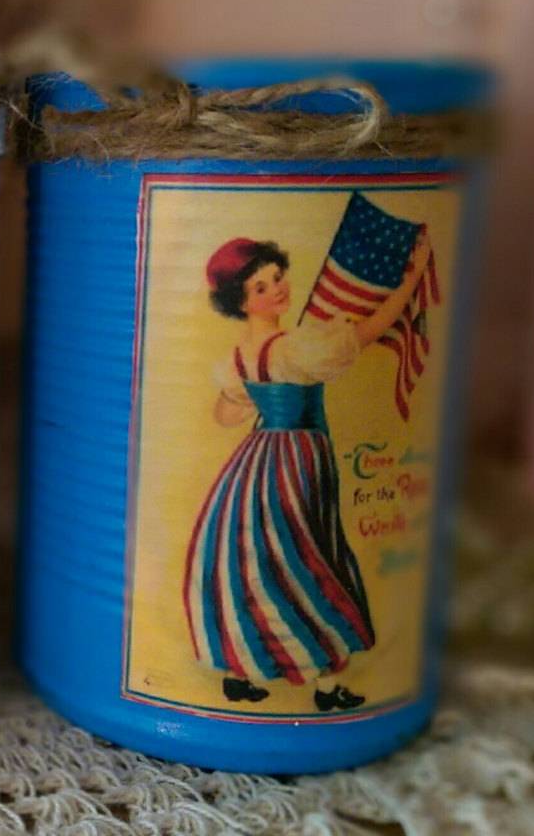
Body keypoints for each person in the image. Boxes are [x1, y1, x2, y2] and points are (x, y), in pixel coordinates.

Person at [185, 232, 432, 712]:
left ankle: (242, 673)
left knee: (251, 564)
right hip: (297, 461)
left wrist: (261, 401)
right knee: (306, 562)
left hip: (254, 462)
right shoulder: (296, 348)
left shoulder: (238, 359)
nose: (277, 288)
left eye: (277, 277)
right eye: (260, 287)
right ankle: (326, 686)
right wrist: (411, 279)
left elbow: (225, 414)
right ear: (241, 302)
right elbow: (369, 330)